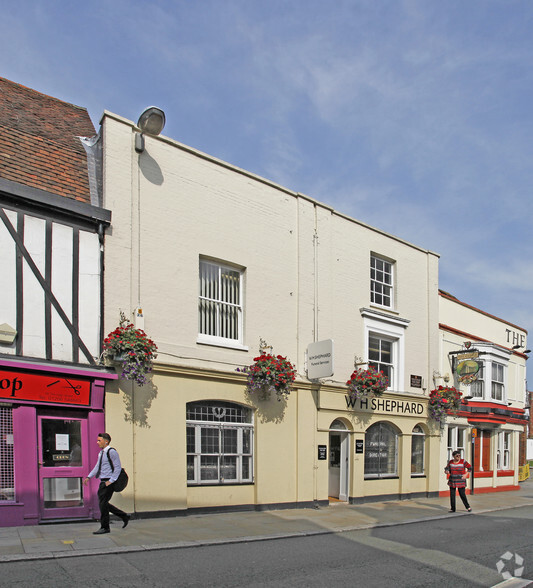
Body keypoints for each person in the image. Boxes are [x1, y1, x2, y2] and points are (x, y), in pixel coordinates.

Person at [83, 432, 130, 534]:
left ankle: (105, 527)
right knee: (103, 503)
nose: (97, 442)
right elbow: (97, 466)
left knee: (102, 504)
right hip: (103, 481)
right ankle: (124, 516)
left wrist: (111, 481)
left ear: (106, 441)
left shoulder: (112, 452)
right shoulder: (101, 453)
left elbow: (117, 467)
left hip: (108, 481)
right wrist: (89, 476)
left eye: (99, 440)